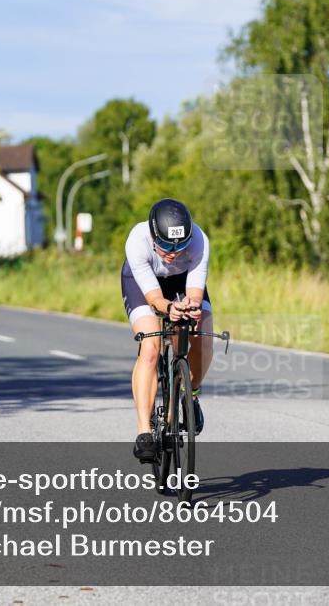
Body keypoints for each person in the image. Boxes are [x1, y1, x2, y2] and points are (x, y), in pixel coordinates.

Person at [121, 198, 213, 462]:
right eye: (165, 245)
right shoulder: (137, 242)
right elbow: (155, 301)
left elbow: (195, 292)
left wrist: (191, 307)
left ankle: (190, 394)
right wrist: (168, 308)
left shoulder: (199, 240)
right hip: (144, 285)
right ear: (153, 237)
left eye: (180, 245)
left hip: (181, 281)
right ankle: (144, 433)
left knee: (201, 335)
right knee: (150, 347)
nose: (173, 252)